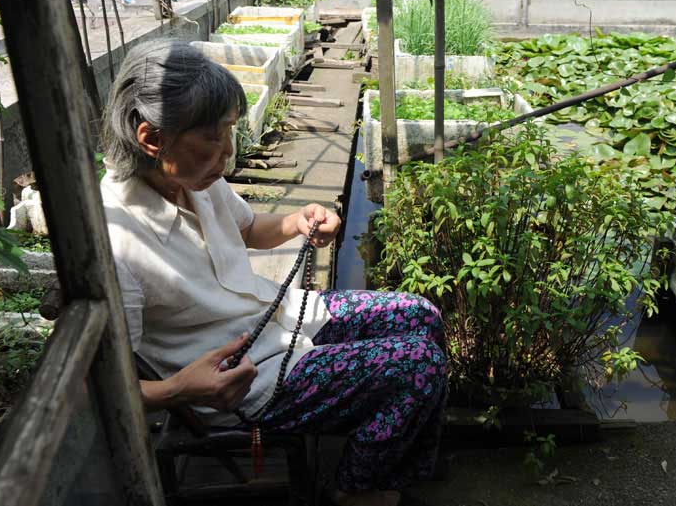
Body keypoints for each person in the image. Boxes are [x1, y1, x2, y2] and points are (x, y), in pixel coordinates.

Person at [100, 39, 447, 506]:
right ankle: (358, 488)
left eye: (230, 130)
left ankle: (395, 455)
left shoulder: (192, 178)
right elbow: (105, 387)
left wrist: (298, 220)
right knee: (418, 364)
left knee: (421, 315)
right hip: (251, 382)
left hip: (285, 319)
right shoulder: (117, 244)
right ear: (151, 138)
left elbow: (248, 230)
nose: (228, 150)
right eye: (213, 135)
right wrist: (180, 389)